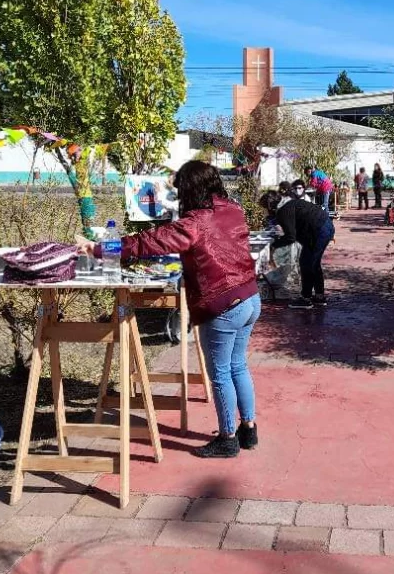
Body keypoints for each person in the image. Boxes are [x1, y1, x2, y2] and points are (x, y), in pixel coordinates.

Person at [78, 161, 260, 459]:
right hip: (250, 298)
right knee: (238, 365)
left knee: (221, 374)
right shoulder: (233, 210)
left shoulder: (193, 224)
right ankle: (248, 430)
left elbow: (147, 243)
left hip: (224, 304)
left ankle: (228, 438)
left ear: (189, 189)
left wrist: (98, 249)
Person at [260, 191, 335, 309]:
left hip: (319, 230)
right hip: (326, 226)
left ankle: (306, 299)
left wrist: (273, 245)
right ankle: (319, 296)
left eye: (264, 208)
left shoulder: (283, 211)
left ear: (269, 206)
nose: (264, 212)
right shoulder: (288, 204)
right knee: (313, 263)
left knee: (307, 263)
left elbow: (291, 237)